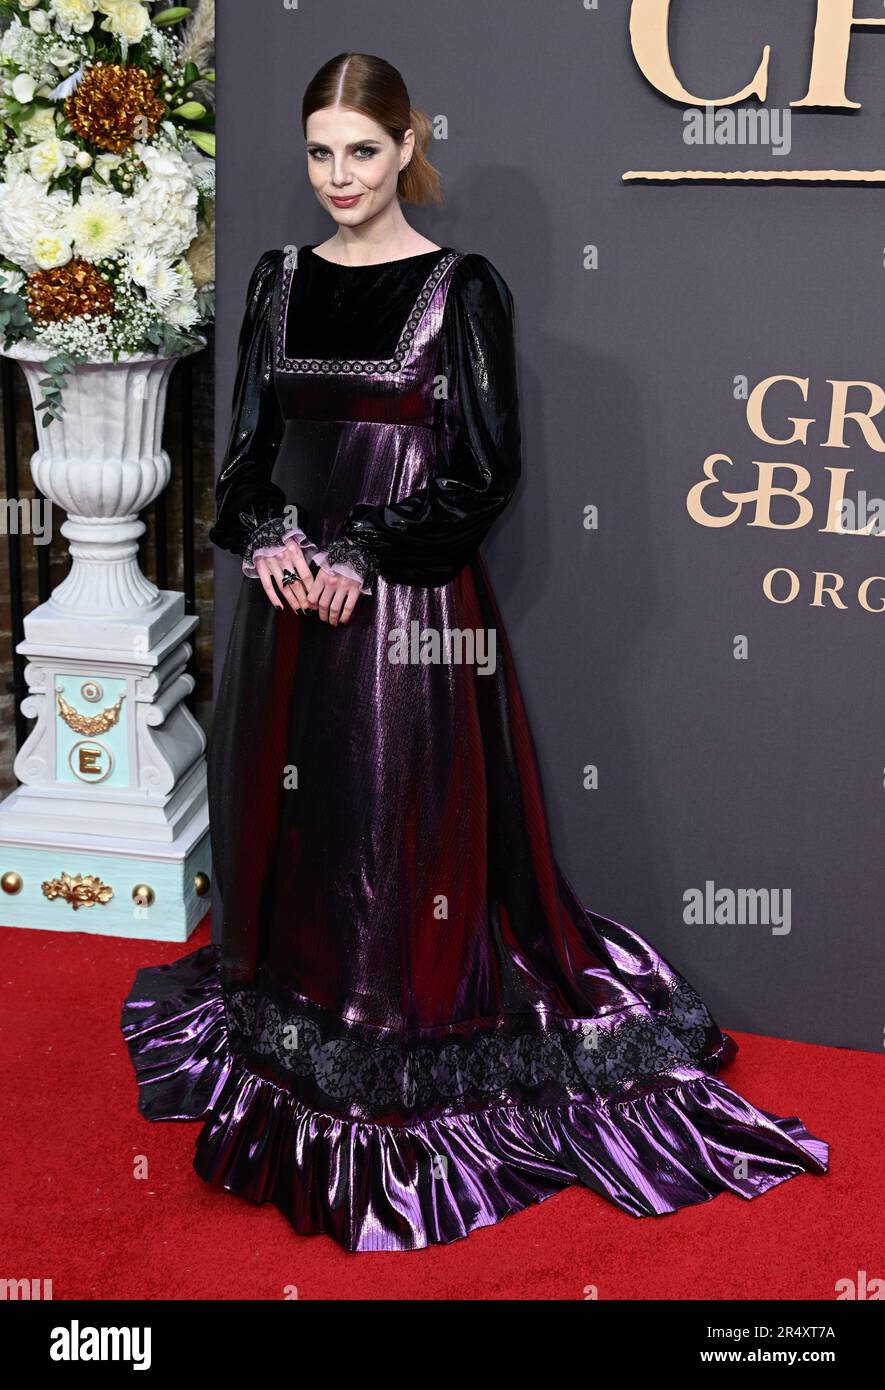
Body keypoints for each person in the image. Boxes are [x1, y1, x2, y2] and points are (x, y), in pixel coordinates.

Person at [121, 52, 828, 1253]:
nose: (339, 176)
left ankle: (403, 1025)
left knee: (396, 829)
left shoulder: (461, 288)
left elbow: (483, 472)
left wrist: (363, 555)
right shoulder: (276, 281)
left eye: (362, 149)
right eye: (319, 152)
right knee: (300, 819)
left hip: (405, 613)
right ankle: (304, 1009)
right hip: (288, 610)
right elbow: (240, 458)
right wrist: (273, 539)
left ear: (406, 149)